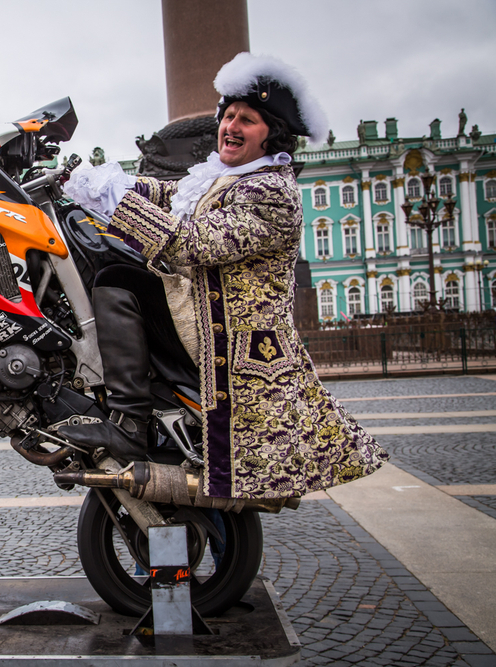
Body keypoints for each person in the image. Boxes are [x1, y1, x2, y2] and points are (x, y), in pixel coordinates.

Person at [59, 52, 387, 500]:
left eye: (246, 119)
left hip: (228, 340)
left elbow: (190, 243)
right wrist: (85, 181)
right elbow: (163, 192)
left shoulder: (271, 192)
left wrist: (115, 200)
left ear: (270, 133)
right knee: (116, 269)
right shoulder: (223, 178)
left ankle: (128, 420)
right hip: (203, 315)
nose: (230, 126)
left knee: (117, 279)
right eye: (228, 115)